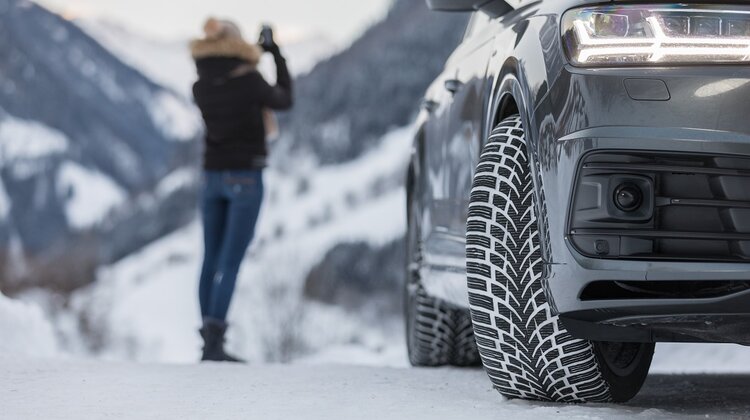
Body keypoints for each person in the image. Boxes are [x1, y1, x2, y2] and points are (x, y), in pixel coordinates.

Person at [190, 18, 293, 362]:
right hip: (245, 177)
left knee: (210, 258)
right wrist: (274, 53)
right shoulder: (250, 80)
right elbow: (284, 99)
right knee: (231, 262)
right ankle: (216, 344)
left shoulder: (200, 85)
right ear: (238, 46)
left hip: (211, 177)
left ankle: (208, 341)